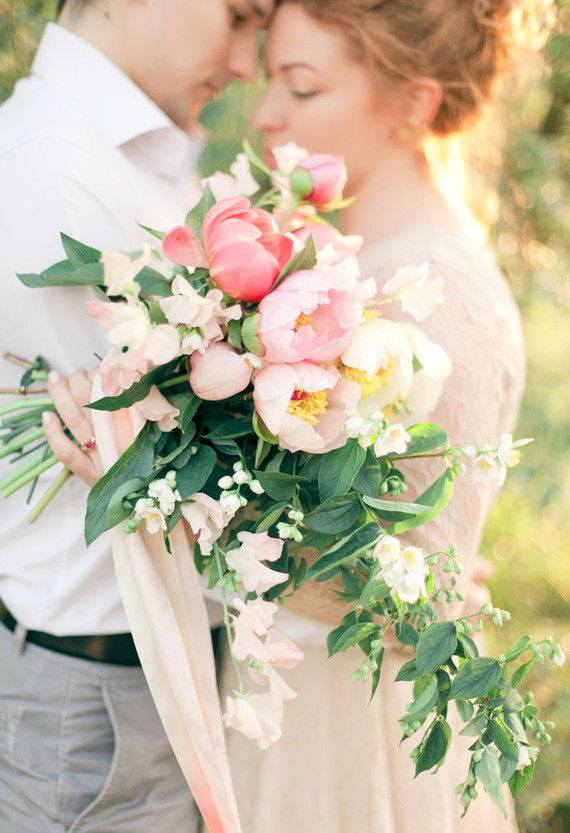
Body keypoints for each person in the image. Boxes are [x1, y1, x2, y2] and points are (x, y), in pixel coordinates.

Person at [219, 1, 544, 830]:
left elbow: (405, 599)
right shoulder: (347, 255)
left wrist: (186, 522)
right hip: (292, 700)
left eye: (301, 85)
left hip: (352, 738)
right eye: (269, 80)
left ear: (413, 103)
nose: (265, 114)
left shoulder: (441, 297)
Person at [0, 1, 274, 831]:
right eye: (237, 16)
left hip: (146, 673)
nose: (247, 60)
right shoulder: (56, 166)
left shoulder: (141, 158)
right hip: (92, 701)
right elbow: (170, 461)